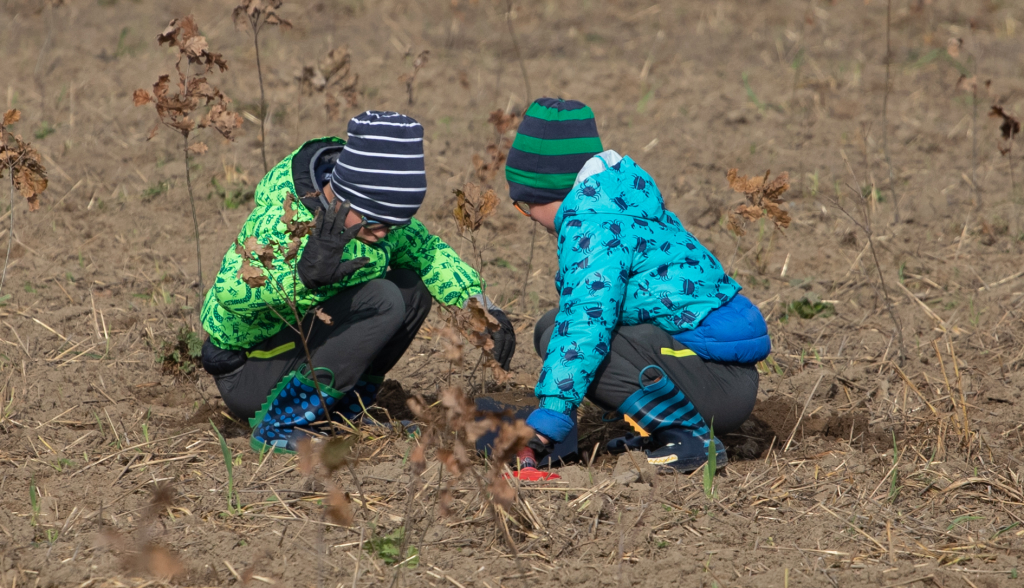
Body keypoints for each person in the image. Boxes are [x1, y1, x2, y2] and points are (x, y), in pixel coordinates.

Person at [201, 111, 515, 453]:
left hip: (301, 349)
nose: (383, 233)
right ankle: (283, 422)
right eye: (375, 221)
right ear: (343, 193)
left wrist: (478, 307)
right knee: (382, 298)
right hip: (252, 369)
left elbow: (428, 252)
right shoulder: (286, 217)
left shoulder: (379, 224)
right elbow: (228, 292)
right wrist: (301, 278)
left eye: (393, 225)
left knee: (412, 286)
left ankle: (348, 410)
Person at [506, 98, 770, 475]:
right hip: (715, 375)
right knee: (551, 325)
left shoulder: (591, 225)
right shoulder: (620, 199)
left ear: (548, 191)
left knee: (564, 335)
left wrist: (549, 421)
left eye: (523, 205)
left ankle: (690, 438)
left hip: (718, 388)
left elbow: (586, 323)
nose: (528, 217)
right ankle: (656, 429)